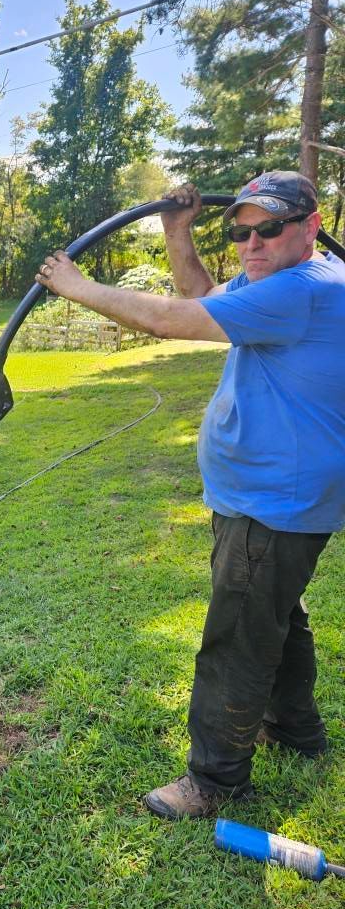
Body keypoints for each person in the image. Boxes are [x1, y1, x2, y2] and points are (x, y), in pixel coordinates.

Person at [35, 170, 345, 820]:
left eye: (269, 227)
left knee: (236, 634)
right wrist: (178, 230)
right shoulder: (273, 284)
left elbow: (169, 319)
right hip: (263, 499)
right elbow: (200, 294)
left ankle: (214, 780)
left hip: (273, 504)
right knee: (273, 619)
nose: (251, 242)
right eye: (240, 231)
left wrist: (78, 286)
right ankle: (295, 730)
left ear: (311, 226)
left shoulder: (300, 290)